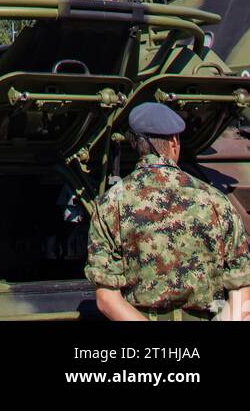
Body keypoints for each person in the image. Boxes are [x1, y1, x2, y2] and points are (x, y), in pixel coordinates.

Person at [85, 101, 250, 321]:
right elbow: (241, 290)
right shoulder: (214, 199)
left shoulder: (110, 203)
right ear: (174, 142)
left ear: (136, 145)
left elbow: (106, 299)